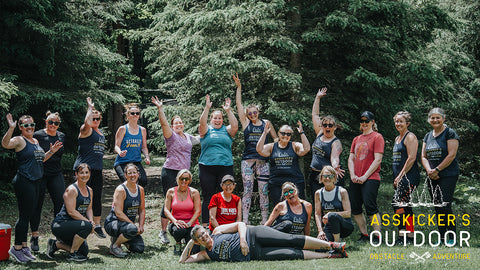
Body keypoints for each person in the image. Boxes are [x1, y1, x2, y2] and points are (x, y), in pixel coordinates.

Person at [2, 113, 62, 263]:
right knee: (24, 216)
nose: (30, 127)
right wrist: (11, 128)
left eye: (32, 125)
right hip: (24, 180)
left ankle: (23, 247)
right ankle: (15, 249)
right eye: (26, 125)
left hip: (36, 181)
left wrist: (51, 152)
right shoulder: (19, 140)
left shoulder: (35, 140)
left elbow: (41, 159)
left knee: (29, 215)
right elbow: (5, 144)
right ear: (21, 127)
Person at [151, 96, 200, 245]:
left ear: (183, 125)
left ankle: (184, 228)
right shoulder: (170, 136)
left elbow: (203, 136)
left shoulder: (188, 137)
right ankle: (163, 232)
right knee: (170, 202)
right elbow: (163, 123)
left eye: (180, 122)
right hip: (171, 172)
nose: (178, 124)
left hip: (184, 175)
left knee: (185, 201)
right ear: (172, 126)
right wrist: (160, 109)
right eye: (175, 123)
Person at [179, 222, 347, 263]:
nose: (204, 237)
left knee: (290, 240)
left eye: (203, 233)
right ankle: (330, 255)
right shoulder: (206, 254)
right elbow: (184, 261)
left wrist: (243, 240)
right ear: (197, 241)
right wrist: (190, 243)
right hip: (256, 254)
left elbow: (240, 224)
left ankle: (332, 245)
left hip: (255, 235)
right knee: (290, 254)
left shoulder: (216, 232)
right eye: (200, 238)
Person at [234, 73, 278, 225]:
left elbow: (276, 139)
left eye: (255, 112)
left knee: (263, 191)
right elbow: (239, 105)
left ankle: (264, 220)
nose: (253, 115)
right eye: (250, 113)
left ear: (258, 112)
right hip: (248, 161)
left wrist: (274, 152)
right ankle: (245, 221)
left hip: (263, 161)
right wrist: (239, 88)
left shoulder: (266, 123)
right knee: (247, 190)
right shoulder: (246, 123)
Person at [421, 108, 459, 245]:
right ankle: (442, 238)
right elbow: (423, 156)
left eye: (438, 117)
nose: (435, 120)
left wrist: (437, 169)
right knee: (437, 207)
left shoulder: (450, 133)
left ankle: (451, 238)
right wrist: (429, 171)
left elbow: (451, 155)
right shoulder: (427, 136)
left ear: (443, 118)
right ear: (429, 119)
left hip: (448, 174)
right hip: (432, 176)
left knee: (445, 206)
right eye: (432, 118)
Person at [198, 94, 238, 226]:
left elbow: (235, 126)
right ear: (211, 119)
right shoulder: (206, 130)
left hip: (225, 167)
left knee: (226, 195)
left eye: (220, 118)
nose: (217, 120)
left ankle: (225, 223)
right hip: (207, 167)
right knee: (209, 196)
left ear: (222, 120)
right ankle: (205, 224)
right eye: (215, 118)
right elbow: (202, 123)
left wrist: (228, 111)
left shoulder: (227, 130)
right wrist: (207, 108)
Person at [30, 111, 66, 251]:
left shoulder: (61, 136)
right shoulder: (38, 135)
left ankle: (59, 237)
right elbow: (36, 157)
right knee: (36, 204)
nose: (53, 125)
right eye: (50, 122)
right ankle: (34, 237)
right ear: (46, 122)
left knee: (60, 204)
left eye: (56, 123)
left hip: (56, 174)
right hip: (41, 174)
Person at [347, 111, 384, 243]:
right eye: (362, 120)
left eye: (366, 121)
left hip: (371, 178)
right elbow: (351, 158)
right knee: (355, 207)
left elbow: (377, 160)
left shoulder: (377, 137)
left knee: (370, 207)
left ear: (372, 122)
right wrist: (352, 174)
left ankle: (377, 235)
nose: (364, 123)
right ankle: (364, 235)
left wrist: (364, 176)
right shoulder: (356, 139)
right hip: (355, 178)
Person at [73, 97, 107, 238]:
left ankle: (97, 225)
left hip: (97, 170)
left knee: (97, 197)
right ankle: (78, 225)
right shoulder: (86, 130)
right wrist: (90, 108)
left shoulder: (101, 134)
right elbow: (86, 123)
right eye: (93, 118)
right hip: (83, 171)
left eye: (98, 119)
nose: (95, 121)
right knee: (81, 199)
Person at [47, 163, 94, 262]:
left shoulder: (90, 190)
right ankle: (72, 254)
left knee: (84, 252)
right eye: (81, 173)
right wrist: (88, 223)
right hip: (61, 224)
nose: (84, 175)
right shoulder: (72, 190)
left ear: (89, 173)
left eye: (86, 172)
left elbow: (89, 208)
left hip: (76, 225)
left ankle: (55, 244)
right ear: (76, 174)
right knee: (87, 226)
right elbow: (71, 212)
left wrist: (91, 220)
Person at [256, 121, 310, 206]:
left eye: (288, 134)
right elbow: (259, 149)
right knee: (280, 208)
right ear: (278, 133)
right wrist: (264, 133)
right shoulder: (272, 146)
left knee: (298, 206)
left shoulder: (294, 145)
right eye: (283, 133)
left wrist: (302, 133)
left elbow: (306, 149)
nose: (285, 136)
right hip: (277, 183)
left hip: (295, 182)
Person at [310, 88, 345, 200]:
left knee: (330, 203)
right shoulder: (320, 133)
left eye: (330, 125)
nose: (327, 127)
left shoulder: (336, 142)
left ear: (335, 127)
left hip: (328, 176)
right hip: (315, 175)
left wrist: (335, 167)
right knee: (317, 203)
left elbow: (334, 157)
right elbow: (315, 115)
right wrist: (318, 97)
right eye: (325, 125)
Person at [105, 163, 146, 257]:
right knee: (132, 229)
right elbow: (118, 212)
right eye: (129, 173)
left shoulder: (140, 190)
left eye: (134, 172)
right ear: (125, 175)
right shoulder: (121, 190)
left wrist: (140, 225)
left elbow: (142, 210)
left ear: (138, 174)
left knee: (139, 248)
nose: (132, 175)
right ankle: (115, 246)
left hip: (128, 225)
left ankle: (120, 238)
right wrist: (132, 225)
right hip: (113, 222)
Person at [391, 111, 420, 245]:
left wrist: (400, 176)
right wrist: (396, 177)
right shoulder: (397, 138)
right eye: (396, 121)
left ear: (407, 123)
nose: (398, 124)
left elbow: (411, 158)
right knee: (405, 207)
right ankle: (410, 237)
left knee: (397, 203)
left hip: (410, 177)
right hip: (400, 177)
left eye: (401, 121)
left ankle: (403, 236)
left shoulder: (410, 137)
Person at [164, 169, 201, 255]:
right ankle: (178, 243)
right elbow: (166, 210)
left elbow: (198, 211)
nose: (184, 181)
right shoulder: (171, 191)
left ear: (189, 180)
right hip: (177, 224)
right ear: (177, 179)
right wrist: (174, 221)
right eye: (181, 178)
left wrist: (189, 224)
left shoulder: (194, 192)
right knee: (179, 231)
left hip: (191, 224)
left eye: (186, 179)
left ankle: (187, 239)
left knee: (194, 251)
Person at [114, 103, 150, 187]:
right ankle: (123, 198)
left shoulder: (142, 130)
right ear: (127, 115)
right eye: (132, 113)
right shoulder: (122, 129)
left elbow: (144, 147)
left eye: (137, 113)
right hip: (122, 162)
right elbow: (116, 146)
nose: (135, 115)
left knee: (143, 181)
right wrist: (120, 152)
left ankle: (137, 199)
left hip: (136, 161)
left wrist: (147, 156)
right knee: (129, 182)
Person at [315, 166, 353, 242]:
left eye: (330, 176)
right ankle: (332, 243)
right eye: (325, 176)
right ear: (321, 178)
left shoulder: (342, 191)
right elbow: (317, 214)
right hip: (329, 227)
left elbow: (348, 213)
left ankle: (337, 245)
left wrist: (330, 214)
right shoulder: (318, 193)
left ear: (335, 178)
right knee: (319, 248)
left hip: (345, 226)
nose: (327, 178)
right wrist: (320, 231)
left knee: (332, 215)